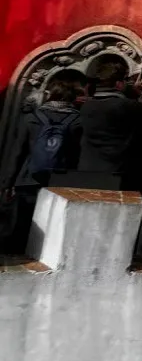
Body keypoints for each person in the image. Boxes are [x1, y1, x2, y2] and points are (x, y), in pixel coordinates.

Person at [6, 70, 86, 250]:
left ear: (49, 94)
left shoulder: (32, 118)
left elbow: (18, 152)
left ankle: (16, 252)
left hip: (28, 176)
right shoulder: (78, 121)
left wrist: (8, 182)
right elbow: (76, 153)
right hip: (59, 179)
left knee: (22, 219)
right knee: (52, 222)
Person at [74, 55, 142, 195]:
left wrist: (134, 92)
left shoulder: (87, 106)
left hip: (86, 170)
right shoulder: (123, 105)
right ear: (118, 84)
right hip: (115, 174)